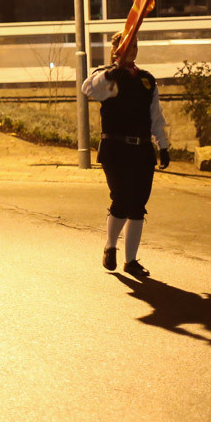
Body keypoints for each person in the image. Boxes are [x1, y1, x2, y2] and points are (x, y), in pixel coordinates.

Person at [81, 31, 170, 278]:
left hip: (142, 150)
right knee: (121, 198)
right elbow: (88, 89)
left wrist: (163, 145)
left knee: (138, 205)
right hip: (115, 149)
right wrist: (111, 74)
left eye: (135, 45)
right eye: (128, 45)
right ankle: (110, 246)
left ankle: (131, 261)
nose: (133, 49)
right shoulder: (107, 76)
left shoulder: (146, 80)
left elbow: (156, 116)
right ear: (116, 50)